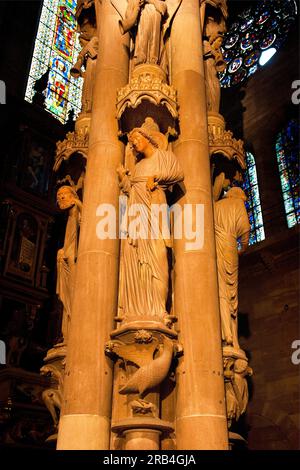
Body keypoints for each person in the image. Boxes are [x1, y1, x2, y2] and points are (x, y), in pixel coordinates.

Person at [117, 118, 183, 322]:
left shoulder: (164, 157)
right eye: (132, 141)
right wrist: (123, 178)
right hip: (136, 217)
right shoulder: (138, 166)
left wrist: (157, 178)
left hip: (155, 211)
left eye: (137, 138)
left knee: (158, 257)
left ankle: (159, 309)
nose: (134, 143)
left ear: (148, 138)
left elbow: (178, 173)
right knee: (136, 260)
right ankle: (137, 308)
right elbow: (131, 190)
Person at [214, 186, 250, 348]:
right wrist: (243, 248)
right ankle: (232, 336)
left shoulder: (215, 206)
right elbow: (245, 228)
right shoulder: (237, 204)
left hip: (215, 248)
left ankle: (226, 332)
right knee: (231, 292)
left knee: (220, 289)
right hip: (229, 246)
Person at [56, 186, 82, 343]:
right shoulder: (69, 216)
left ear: (72, 195)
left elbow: (88, 222)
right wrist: (63, 250)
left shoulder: (77, 209)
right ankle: (67, 334)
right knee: (67, 298)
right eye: (58, 195)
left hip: (75, 257)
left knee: (73, 295)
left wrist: (78, 203)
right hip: (68, 256)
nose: (60, 198)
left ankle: (73, 332)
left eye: (63, 194)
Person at [119, 0, 167, 66]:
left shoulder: (158, 2)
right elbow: (128, 16)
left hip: (155, 31)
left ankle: (153, 61)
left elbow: (163, 9)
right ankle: (141, 60)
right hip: (142, 30)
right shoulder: (135, 1)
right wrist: (137, 8)